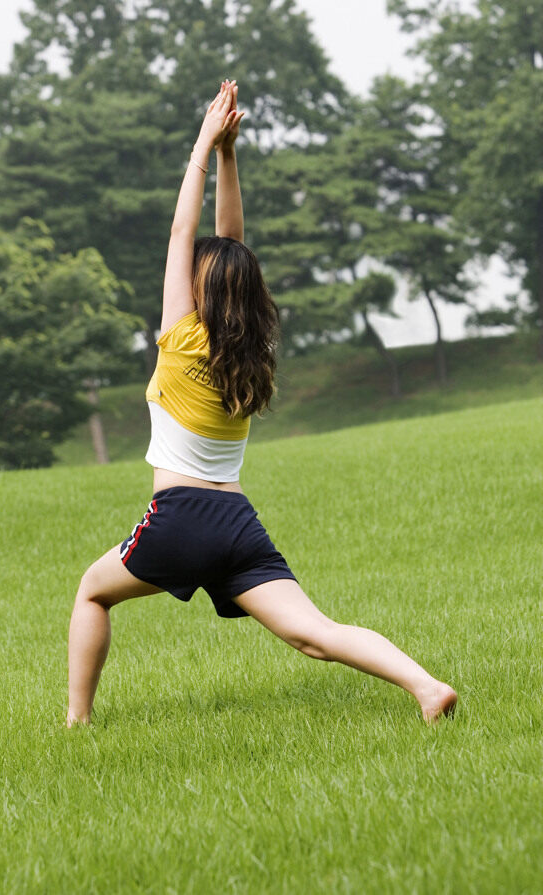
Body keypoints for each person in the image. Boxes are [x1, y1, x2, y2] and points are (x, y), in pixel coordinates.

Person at [66, 79, 457, 728]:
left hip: (181, 514)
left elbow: (183, 232)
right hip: (236, 522)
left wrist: (203, 142)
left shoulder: (182, 337)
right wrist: (230, 155)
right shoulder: (246, 349)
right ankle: (424, 684)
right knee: (313, 633)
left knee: (91, 591)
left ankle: (77, 722)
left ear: (196, 289)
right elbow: (230, 245)